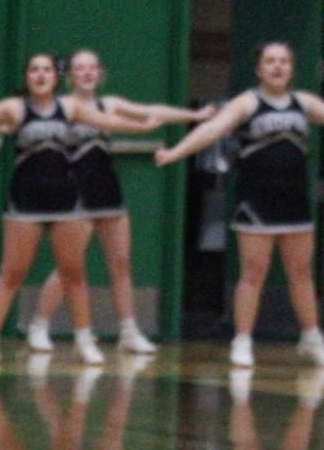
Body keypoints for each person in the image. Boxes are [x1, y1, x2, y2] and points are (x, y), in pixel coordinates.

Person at [0, 53, 159, 365]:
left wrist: (144, 127)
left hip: (65, 201)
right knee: (12, 272)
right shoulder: (15, 108)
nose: (40, 75)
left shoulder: (70, 107)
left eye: (46, 70)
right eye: (34, 70)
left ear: (55, 76)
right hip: (26, 200)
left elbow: (108, 122)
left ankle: (83, 340)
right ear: (26, 77)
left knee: (73, 272)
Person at [151, 41, 324, 369]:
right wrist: (175, 152)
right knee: (253, 273)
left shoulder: (304, 103)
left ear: (292, 67)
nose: (277, 67)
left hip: (294, 202)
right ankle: (242, 340)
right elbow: (212, 129)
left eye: (284, 61)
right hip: (257, 200)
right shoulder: (247, 103)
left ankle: (312, 337)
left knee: (301, 273)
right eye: (270, 61)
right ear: (259, 68)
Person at [27, 48, 211, 356]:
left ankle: (128, 330)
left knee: (121, 263)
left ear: (100, 73)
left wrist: (194, 115)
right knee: (69, 266)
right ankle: (39, 326)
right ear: (69, 75)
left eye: (92, 68)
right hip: (73, 191)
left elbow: (151, 110)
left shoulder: (109, 104)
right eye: (80, 68)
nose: (86, 73)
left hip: (106, 188)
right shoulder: (62, 106)